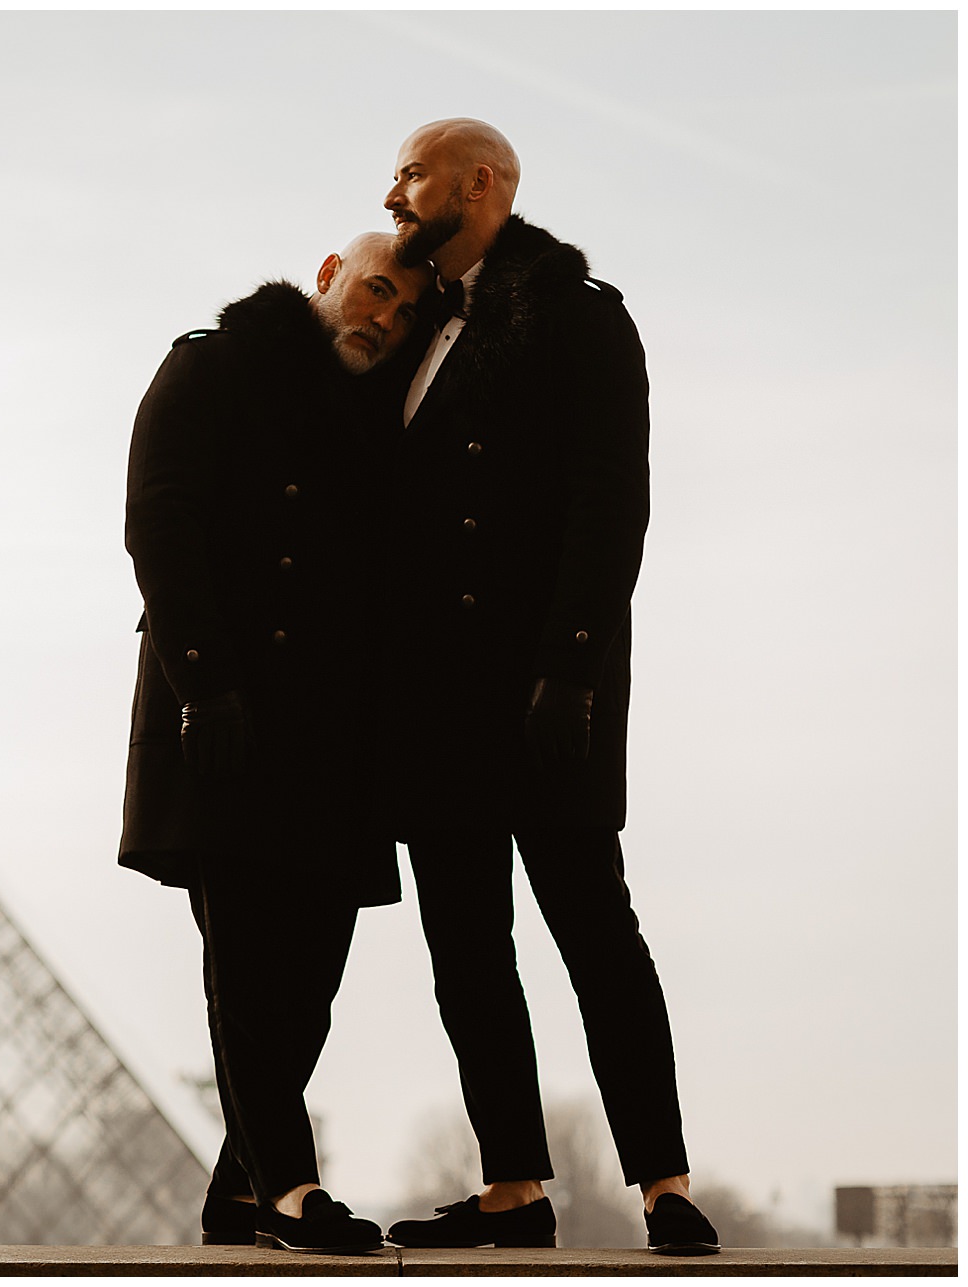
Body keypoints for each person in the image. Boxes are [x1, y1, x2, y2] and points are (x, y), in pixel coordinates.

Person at [371, 118, 720, 1256]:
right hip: (434, 697)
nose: (390, 193)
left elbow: (611, 503)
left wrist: (570, 666)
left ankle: (664, 1184)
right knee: (467, 947)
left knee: (594, 932)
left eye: (410, 174)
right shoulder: (412, 321)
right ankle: (514, 1189)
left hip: (541, 685)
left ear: (478, 184)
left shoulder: (579, 315)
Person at [119, 233, 433, 1254]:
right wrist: (206, 685)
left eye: (403, 314)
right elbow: (157, 524)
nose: (382, 318)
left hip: (336, 739)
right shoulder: (208, 365)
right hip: (224, 715)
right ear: (328, 275)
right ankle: (293, 1191)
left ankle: (240, 1197)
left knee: (308, 991)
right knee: (251, 968)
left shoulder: (380, 417)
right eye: (376, 290)